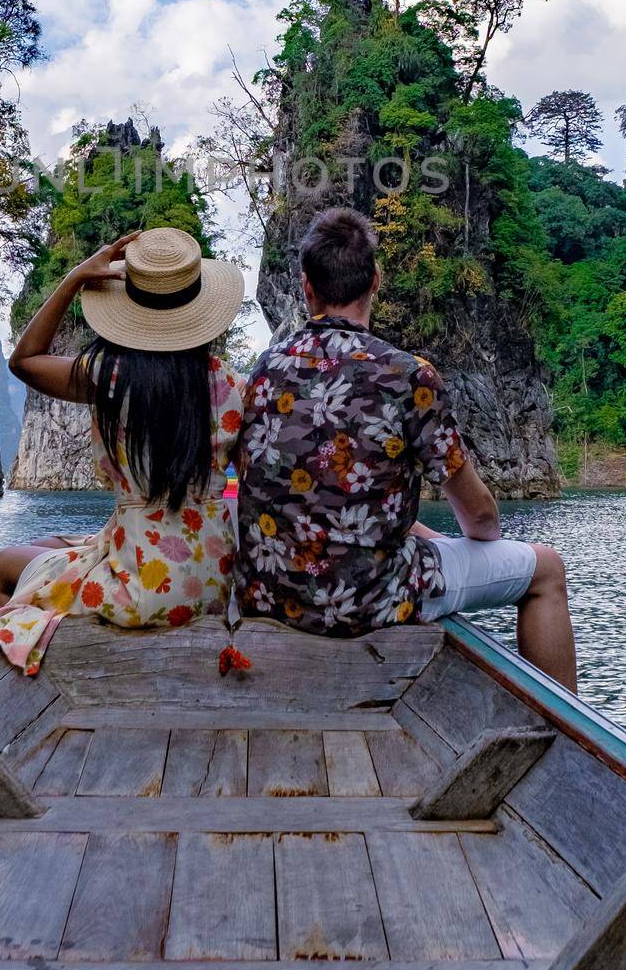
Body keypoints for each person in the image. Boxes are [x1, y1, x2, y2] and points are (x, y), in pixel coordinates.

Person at [234, 208, 577, 690]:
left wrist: (406, 529)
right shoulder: (408, 376)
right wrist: (456, 539)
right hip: (369, 599)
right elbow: (480, 520)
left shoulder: (263, 373)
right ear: (376, 280)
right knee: (547, 570)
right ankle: (566, 739)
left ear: (306, 287)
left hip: (269, 593)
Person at [0, 226, 247, 674]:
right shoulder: (233, 386)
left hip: (143, 583)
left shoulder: (110, 379)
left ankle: (37, 683)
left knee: (4, 566)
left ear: (132, 308)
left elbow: (23, 360)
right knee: (46, 544)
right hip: (212, 576)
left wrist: (76, 279)